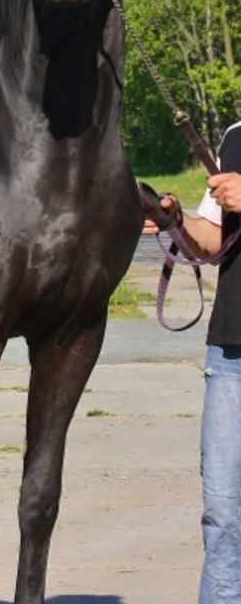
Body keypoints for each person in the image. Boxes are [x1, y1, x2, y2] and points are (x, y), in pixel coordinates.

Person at [144, 121, 241, 603]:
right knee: (223, 513)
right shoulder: (236, 138)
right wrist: (175, 221)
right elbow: (211, 240)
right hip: (231, 352)